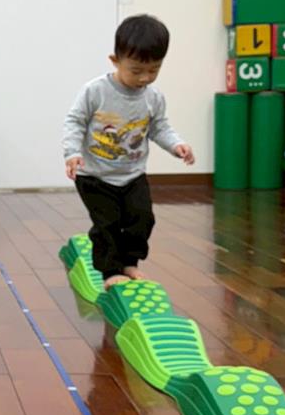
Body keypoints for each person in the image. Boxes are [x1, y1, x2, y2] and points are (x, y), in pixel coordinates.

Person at [63, 14, 194, 289]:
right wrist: (72, 153)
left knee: (142, 218)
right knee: (107, 223)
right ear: (115, 60)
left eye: (154, 70)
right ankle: (111, 271)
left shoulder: (153, 97)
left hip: (133, 174)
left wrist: (176, 145)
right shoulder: (95, 91)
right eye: (136, 71)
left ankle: (130, 262)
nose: (145, 78)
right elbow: (75, 122)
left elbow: (159, 127)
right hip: (94, 176)